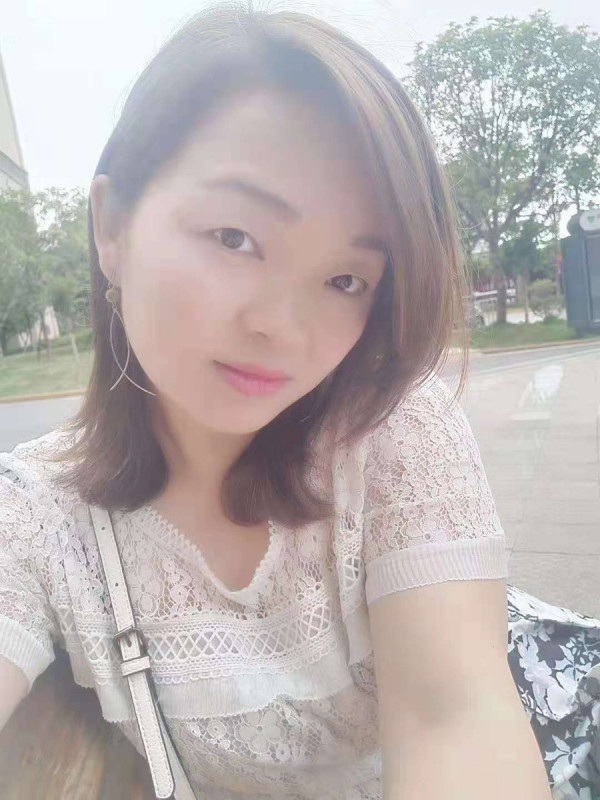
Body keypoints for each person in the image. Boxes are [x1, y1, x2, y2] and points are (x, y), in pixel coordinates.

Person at [0, 5, 598, 799]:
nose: (282, 327)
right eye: (235, 238)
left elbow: (453, 717)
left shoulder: (392, 431)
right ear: (113, 227)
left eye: (346, 279)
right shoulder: (37, 514)